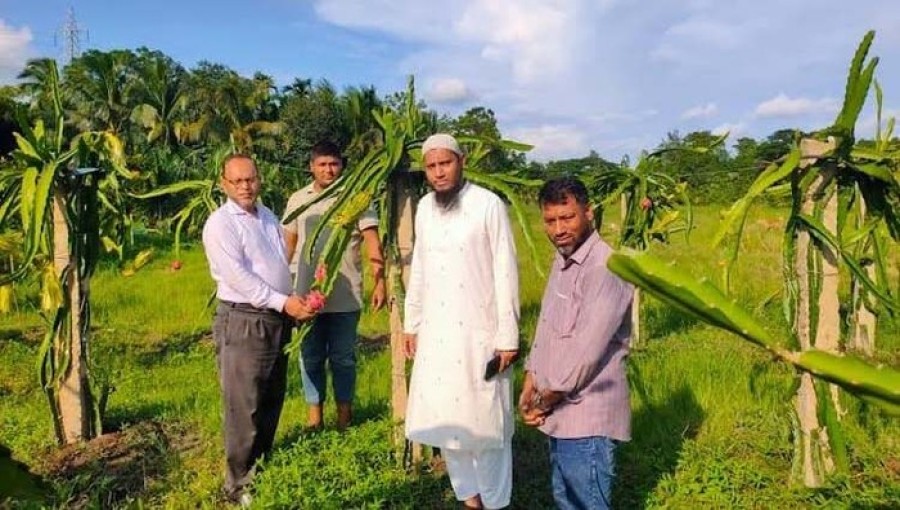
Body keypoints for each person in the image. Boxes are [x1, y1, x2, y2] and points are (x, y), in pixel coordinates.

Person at [403, 133, 520, 510]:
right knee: (447, 423)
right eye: (432, 166)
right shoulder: (423, 207)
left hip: (480, 334)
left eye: (445, 163)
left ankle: (496, 502)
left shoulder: (488, 205)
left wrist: (508, 337)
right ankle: (470, 501)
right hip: (436, 333)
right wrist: (412, 322)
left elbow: (506, 271)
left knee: (487, 427)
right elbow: (418, 267)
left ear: (461, 161)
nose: (439, 173)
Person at [202, 153, 317, 504]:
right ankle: (237, 485)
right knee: (244, 403)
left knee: (271, 396)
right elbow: (241, 278)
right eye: (236, 181)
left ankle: (260, 467)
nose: (245, 186)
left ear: (259, 179)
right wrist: (285, 303)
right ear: (224, 184)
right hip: (244, 319)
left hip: (276, 318)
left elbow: (278, 264)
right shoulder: (221, 224)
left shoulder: (266, 216)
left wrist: (296, 299)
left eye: (250, 179)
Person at [519, 176, 634, 510]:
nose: (558, 229)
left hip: (586, 416)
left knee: (586, 504)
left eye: (567, 217)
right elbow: (546, 326)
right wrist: (530, 377)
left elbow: (586, 352)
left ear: (589, 213)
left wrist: (542, 401)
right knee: (565, 500)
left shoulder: (605, 267)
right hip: (558, 412)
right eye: (550, 221)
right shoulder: (563, 260)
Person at [282, 141, 387, 430]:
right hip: (305, 296)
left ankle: (344, 417)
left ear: (342, 166)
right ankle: (314, 419)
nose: (329, 169)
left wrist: (380, 282)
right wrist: (279, 286)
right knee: (310, 358)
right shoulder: (297, 199)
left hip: (345, 296)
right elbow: (287, 244)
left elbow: (371, 241)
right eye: (322, 164)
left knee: (343, 359)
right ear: (311, 166)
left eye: (334, 164)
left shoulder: (356, 197)